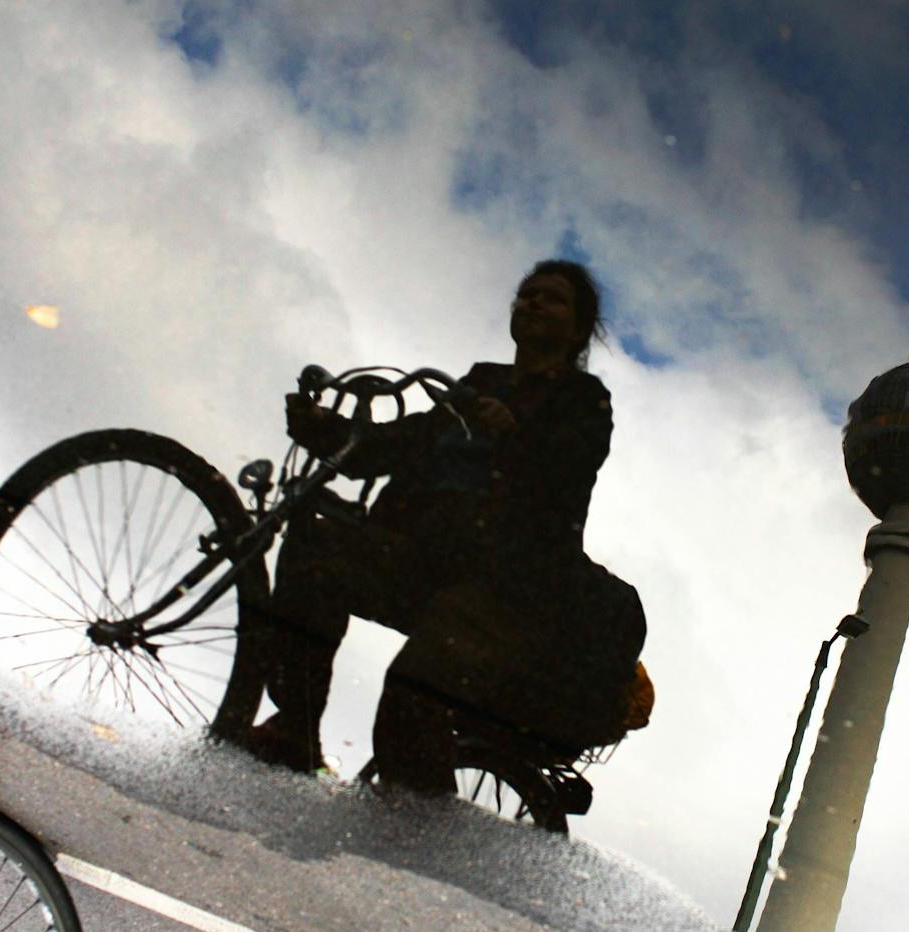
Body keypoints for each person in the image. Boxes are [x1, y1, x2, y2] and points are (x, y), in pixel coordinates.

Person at [239, 260, 645, 782]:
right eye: (527, 294)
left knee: (414, 693)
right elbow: (403, 444)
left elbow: (568, 465)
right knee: (318, 549)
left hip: (502, 588)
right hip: (427, 559)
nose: (534, 303)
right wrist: (327, 432)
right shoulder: (480, 384)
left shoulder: (583, 401)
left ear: (578, 328)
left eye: (553, 298)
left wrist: (513, 432)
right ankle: (294, 731)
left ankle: (423, 839)